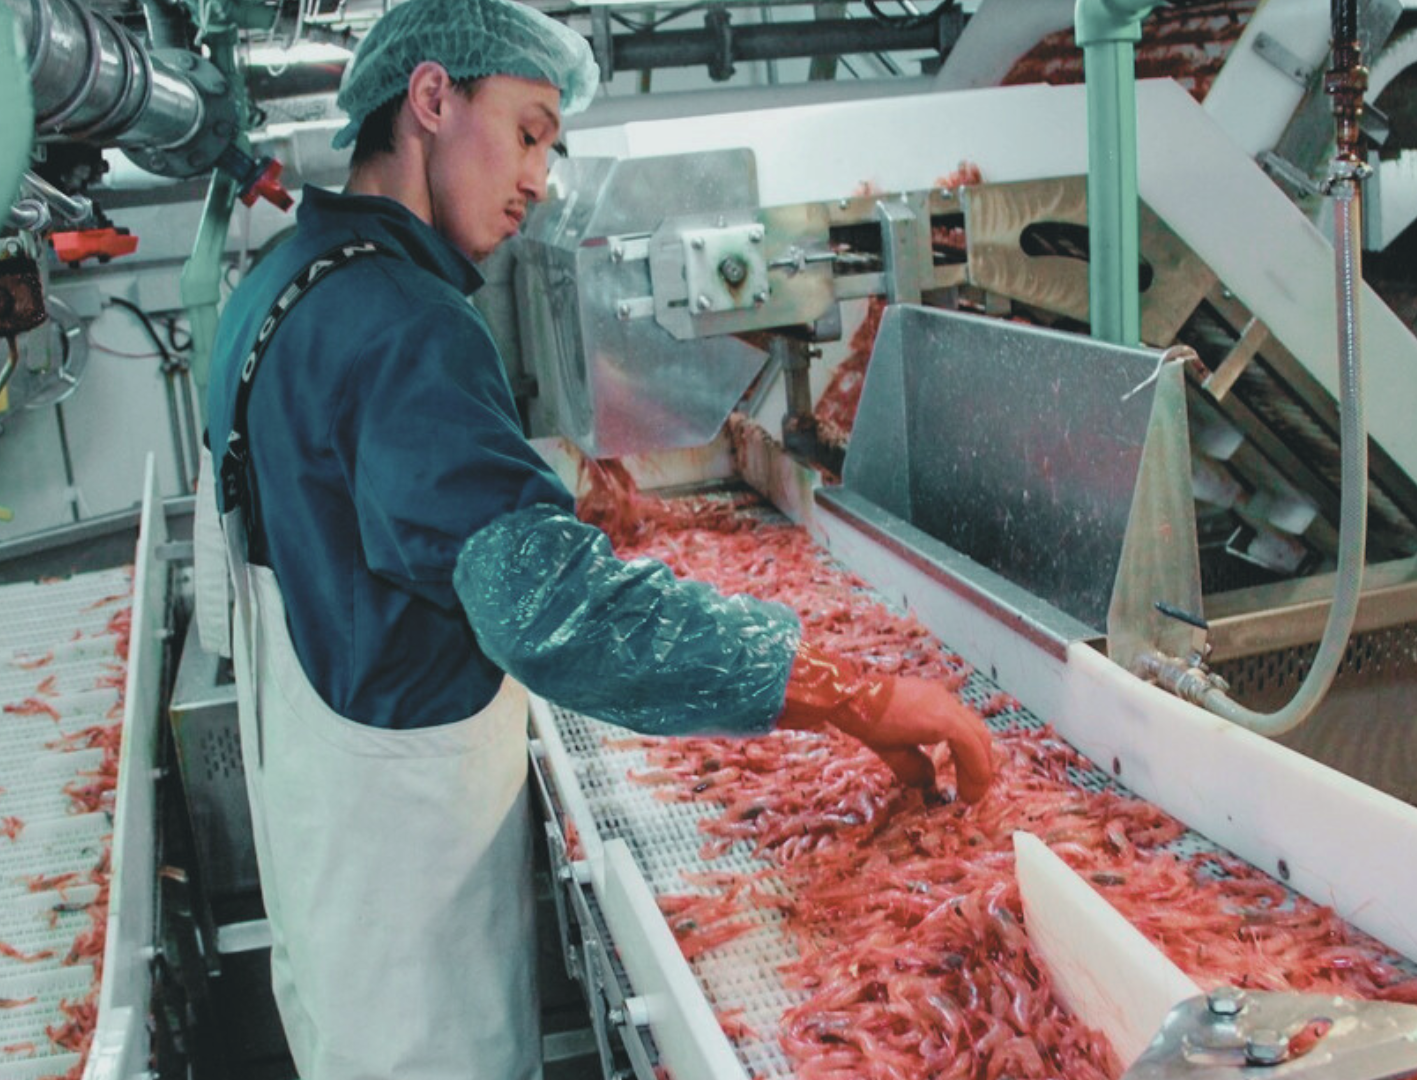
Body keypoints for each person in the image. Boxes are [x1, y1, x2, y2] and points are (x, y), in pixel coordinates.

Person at [197, 2, 998, 1078]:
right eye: (528, 131)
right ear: (432, 99)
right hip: (408, 907)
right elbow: (555, 612)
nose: (540, 178)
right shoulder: (404, 325)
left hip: (330, 849)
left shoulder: (274, 288)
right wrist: (854, 694)